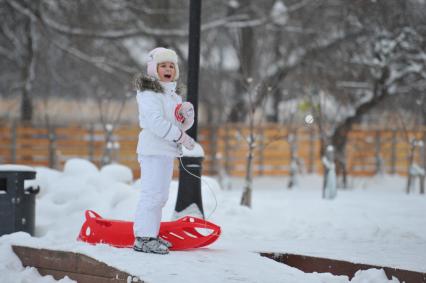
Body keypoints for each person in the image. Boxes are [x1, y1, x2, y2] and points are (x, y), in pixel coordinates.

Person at [132, 47, 195, 254]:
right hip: (152, 150)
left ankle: (152, 234)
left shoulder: (172, 96)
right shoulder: (149, 93)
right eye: (162, 65)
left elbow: (179, 126)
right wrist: (181, 137)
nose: (167, 69)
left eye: (171, 65)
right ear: (153, 68)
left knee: (160, 196)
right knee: (151, 195)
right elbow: (156, 123)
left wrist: (187, 118)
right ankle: (143, 238)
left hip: (167, 150)